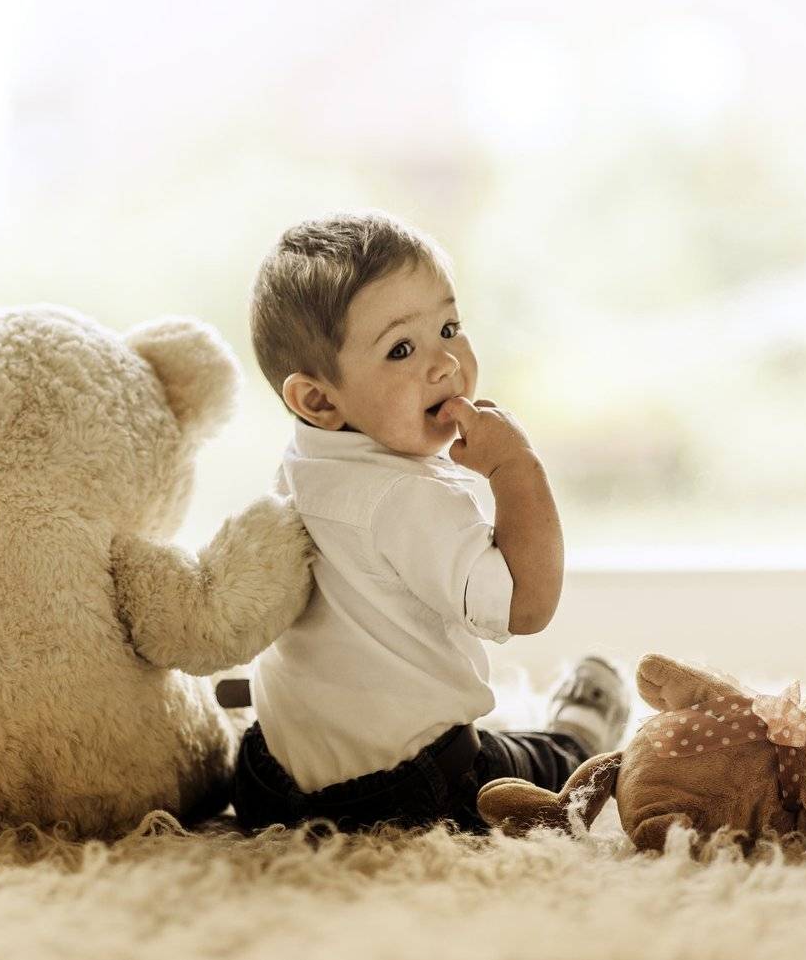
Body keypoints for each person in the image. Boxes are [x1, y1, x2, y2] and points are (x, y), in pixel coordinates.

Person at [233, 209, 630, 833]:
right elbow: (526, 606)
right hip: (406, 789)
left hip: (268, 781)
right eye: (401, 349)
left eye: (449, 327)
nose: (445, 363)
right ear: (318, 398)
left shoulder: (301, 464)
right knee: (523, 768)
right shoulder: (409, 496)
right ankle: (576, 735)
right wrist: (515, 468)